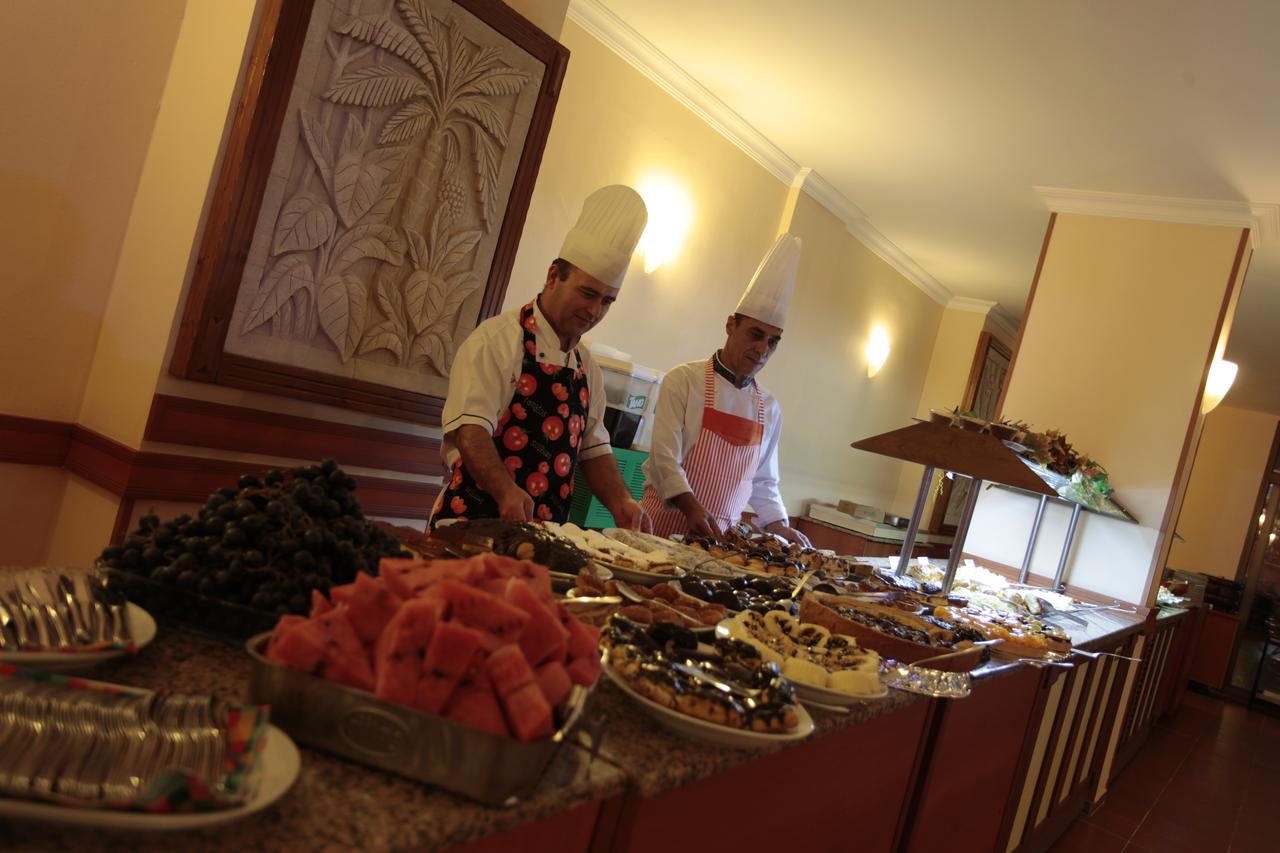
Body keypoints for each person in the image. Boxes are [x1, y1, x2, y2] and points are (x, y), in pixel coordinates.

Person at [429, 186, 649, 530]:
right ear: (553, 277)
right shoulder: (496, 340)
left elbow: (594, 447)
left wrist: (622, 500)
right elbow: (471, 432)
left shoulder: (588, 368)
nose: (594, 310)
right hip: (471, 524)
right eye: (588, 293)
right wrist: (505, 491)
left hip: (546, 538)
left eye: (607, 301)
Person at [640, 234, 812, 546]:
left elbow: (764, 481)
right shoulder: (683, 381)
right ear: (731, 325)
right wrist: (691, 507)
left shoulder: (769, 408)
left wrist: (780, 526)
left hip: (721, 544)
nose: (762, 349)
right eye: (755, 334)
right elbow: (665, 459)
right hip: (660, 532)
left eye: (773, 341)